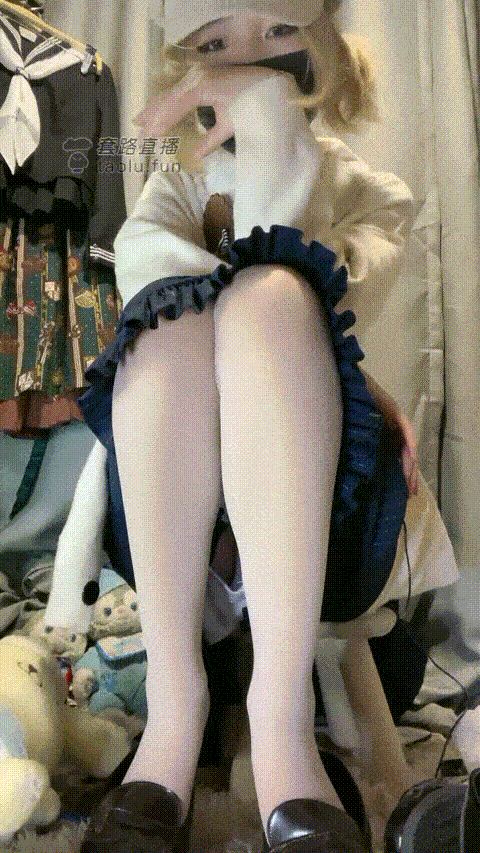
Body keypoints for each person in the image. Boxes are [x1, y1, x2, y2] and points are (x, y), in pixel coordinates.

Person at [70, 3, 455, 851]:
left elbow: (282, 264)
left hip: (324, 531)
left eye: (275, 29)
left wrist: (266, 115)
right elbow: (154, 292)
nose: (247, 58)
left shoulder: (367, 193)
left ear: (327, 46)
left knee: (271, 296)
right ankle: (177, 709)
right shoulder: (173, 188)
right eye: (215, 44)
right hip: (182, 536)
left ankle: (280, 727)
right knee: (167, 321)